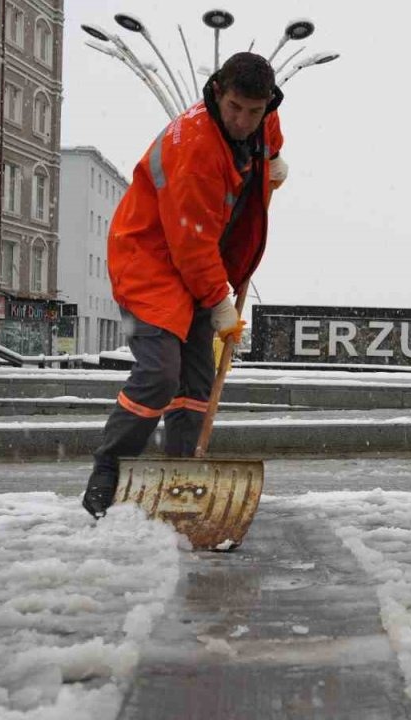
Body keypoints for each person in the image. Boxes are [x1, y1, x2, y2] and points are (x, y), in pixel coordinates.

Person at [82, 52, 288, 518]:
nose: (242, 121)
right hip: (150, 258)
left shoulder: (262, 119)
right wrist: (220, 303)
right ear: (217, 92)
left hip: (198, 260)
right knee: (158, 373)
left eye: (254, 112)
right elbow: (190, 244)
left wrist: (274, 159)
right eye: (235, 107)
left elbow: (269, 136)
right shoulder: (194, 147)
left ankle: (181, 472)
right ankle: (109, 468)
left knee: (196, 381)